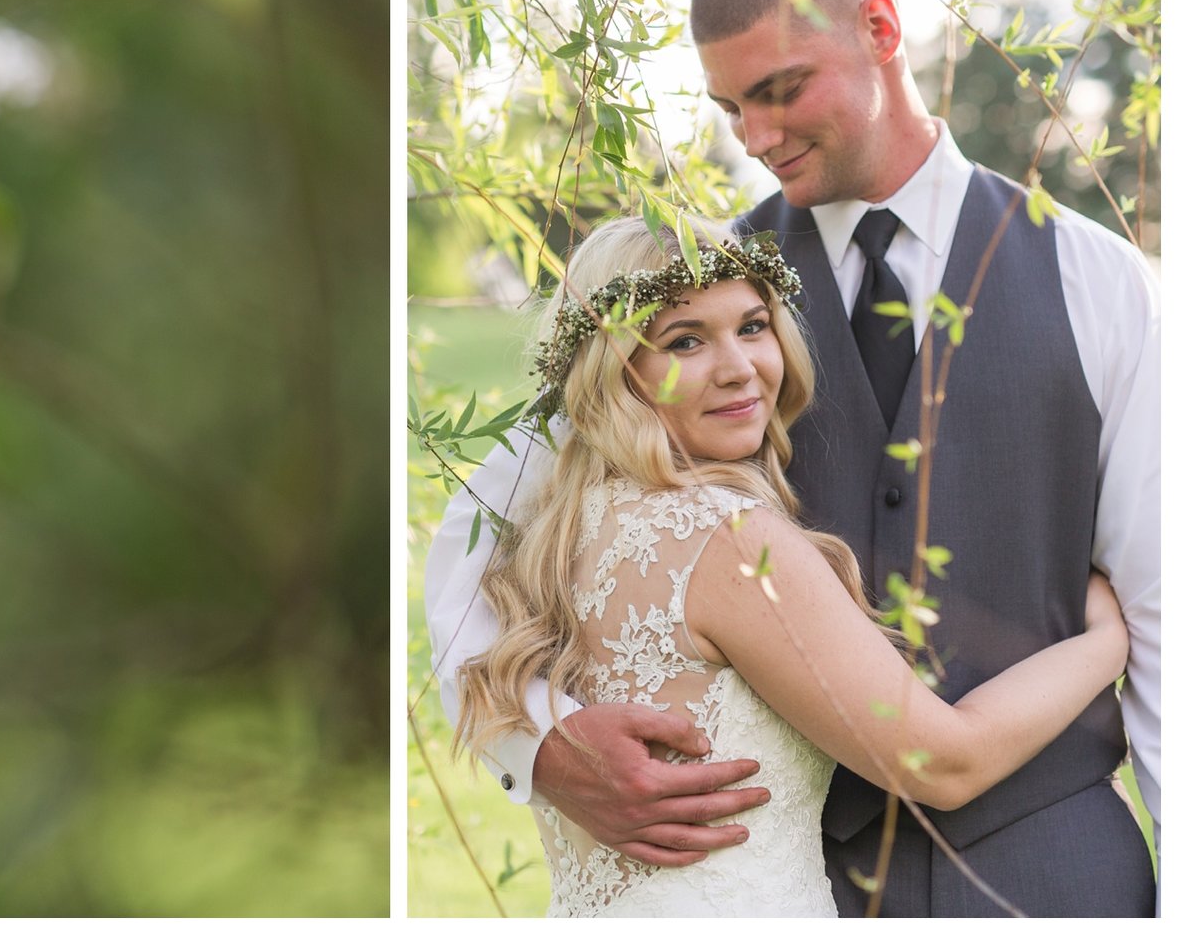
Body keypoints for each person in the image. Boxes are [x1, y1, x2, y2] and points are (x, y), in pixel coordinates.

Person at [424, 0, 1160, 916]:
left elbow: (1159, 606)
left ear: (880, 30)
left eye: (780, 91)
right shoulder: (692, 290)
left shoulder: (1098, 277)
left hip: (1055, 873)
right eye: (731, 110)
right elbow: (476, 542)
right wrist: (539, 746)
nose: (756, 139)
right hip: (784, 872)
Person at [449, 215, 1127, 915]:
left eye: (752, 325)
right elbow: (939, 762)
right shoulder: (730, 544)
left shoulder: (550, 535)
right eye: (685, 341)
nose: (740, 366)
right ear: (617, 370)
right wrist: (1106, 642)